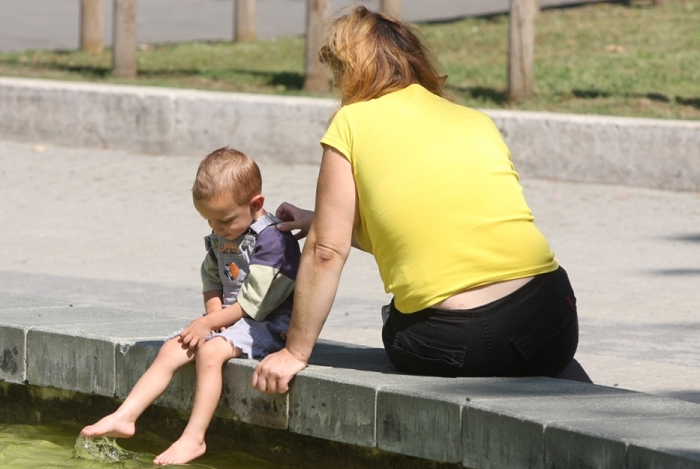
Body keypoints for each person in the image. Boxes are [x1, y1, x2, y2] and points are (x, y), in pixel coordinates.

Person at [251, 6, 590, 394]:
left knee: (397, 321)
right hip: (549, 322)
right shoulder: (474, 120)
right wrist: (320, 220)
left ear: (348, 70)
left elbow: (326, 251)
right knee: (529, 343)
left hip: (450, 341)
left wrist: (295, 352)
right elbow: (433, 231)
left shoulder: (351, 122)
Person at [81, 147, 301, 466]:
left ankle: (193, 438)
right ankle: (123, 416)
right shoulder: (222, 232)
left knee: (211, 353)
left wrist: (211, 324)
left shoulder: (273, 242)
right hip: (228, 317)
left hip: (271, 322)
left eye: (224, 220)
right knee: (174, 348)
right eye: (209, 220)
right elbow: (212, 276)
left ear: (256, 204)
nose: (217, 228)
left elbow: (256, 302)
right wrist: (212, 315)